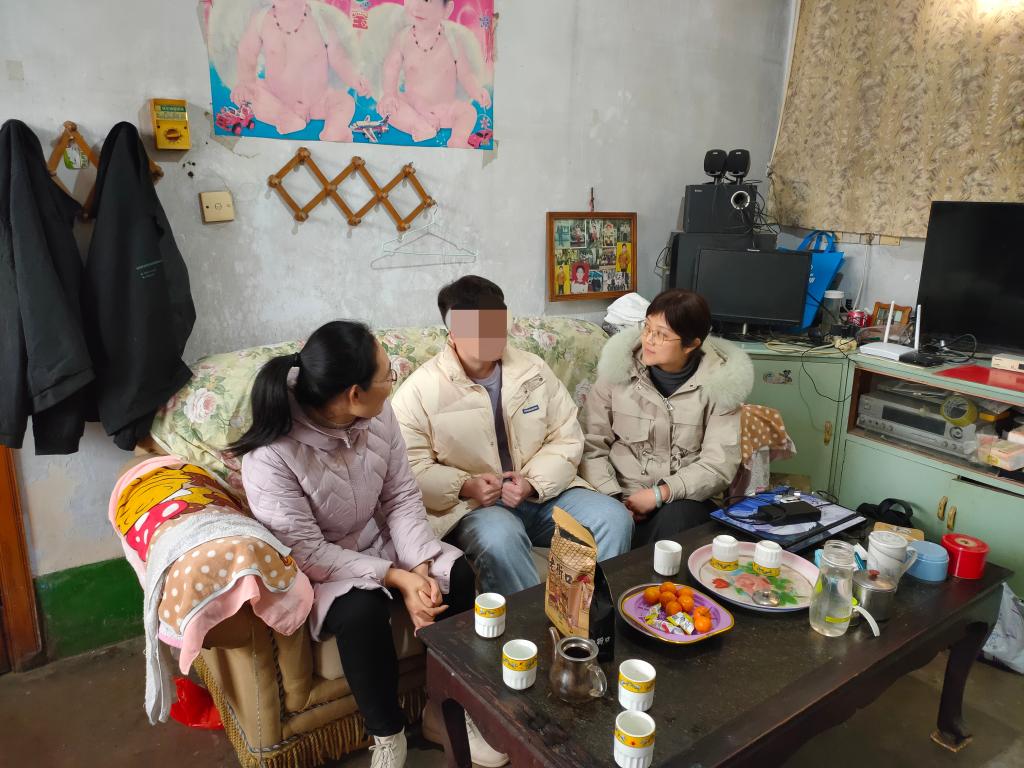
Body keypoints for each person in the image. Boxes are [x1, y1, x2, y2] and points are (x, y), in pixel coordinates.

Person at [231, 321, 507, 768]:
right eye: (387, 375)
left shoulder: (378, 413)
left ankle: (447, 712)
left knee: (455, 576)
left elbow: (401, 495)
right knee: (361, 611)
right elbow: (307, 552)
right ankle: (388, 735)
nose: (394, 380)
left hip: (383, 538)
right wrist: (396, 578)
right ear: (354, 394)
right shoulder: (271, 456)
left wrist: (419, 568)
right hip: (324, 563)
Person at [392, 276, 633, 595]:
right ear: (453, 331)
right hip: (476, 507)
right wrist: (466, 485)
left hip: (544, 495)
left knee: (613, 518)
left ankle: (594, 614)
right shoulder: (419, 391)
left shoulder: (534, 370)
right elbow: (409, 469)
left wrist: (532, 483)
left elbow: (566, 435)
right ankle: (528, 623)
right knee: (500, 537)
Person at [582, 290, 753, 546]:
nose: (649, 339)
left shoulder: (722, 385)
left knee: (677, 519)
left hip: (683, 498)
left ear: (691, 344)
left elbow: (717, 465)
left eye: (662, 334)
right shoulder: (617, 372)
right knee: (610, 521)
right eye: (647, 327)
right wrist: (613, 499)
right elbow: (591, 444)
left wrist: (660, 493)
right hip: (619, 496)